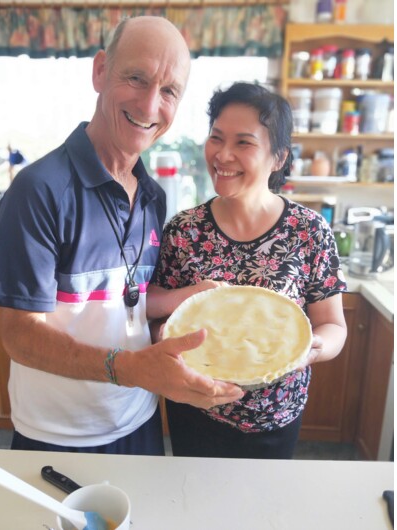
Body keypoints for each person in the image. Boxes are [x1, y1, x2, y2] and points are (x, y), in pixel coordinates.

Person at [0, 16, 244, 456]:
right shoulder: (38, 191)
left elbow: (123, 301)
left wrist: (191, 297)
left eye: (169, 91)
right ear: (99, 72)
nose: (151, 106)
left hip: (138, 422)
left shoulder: (152, 196)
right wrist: (131, 369)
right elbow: (18, 334)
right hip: (58, 436)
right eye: (136, 78)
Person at [147, 82, 349, 459]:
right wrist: (169, 335)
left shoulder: (308, 231)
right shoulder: (184, 229)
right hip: (194, 408)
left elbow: (333, 326)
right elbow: (153, 308)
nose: (223, 155)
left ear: (277, 157)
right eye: (216, 138)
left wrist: (310, 349)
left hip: (276, 415)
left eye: (243, 143)